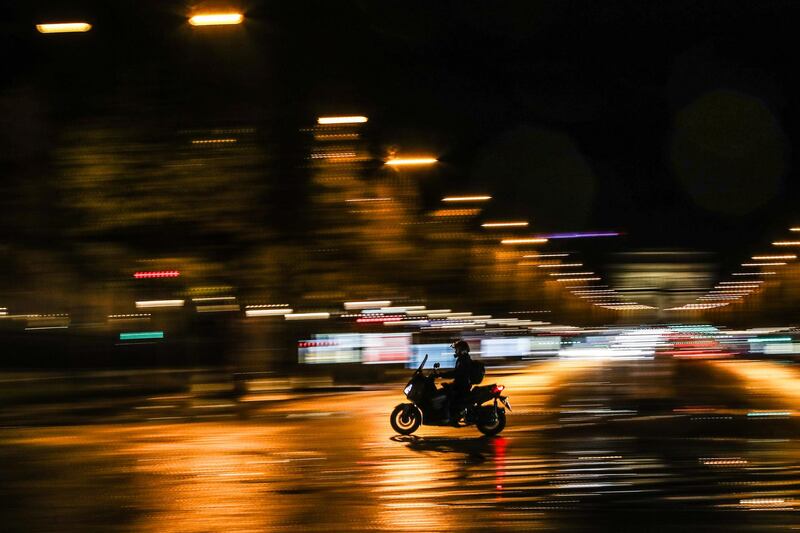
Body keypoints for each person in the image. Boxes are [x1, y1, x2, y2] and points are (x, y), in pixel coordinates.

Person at [438, 339, 473, 424]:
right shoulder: (462, 359)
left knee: (446, 396)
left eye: (457, 349)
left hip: (461, 385)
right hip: (460, 384)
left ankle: (447, 417)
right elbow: (456, 373)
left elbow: (456, 373)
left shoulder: (464, 360)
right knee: (445, 391)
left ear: (462, 350)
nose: (456, 351)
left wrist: (442, 375)